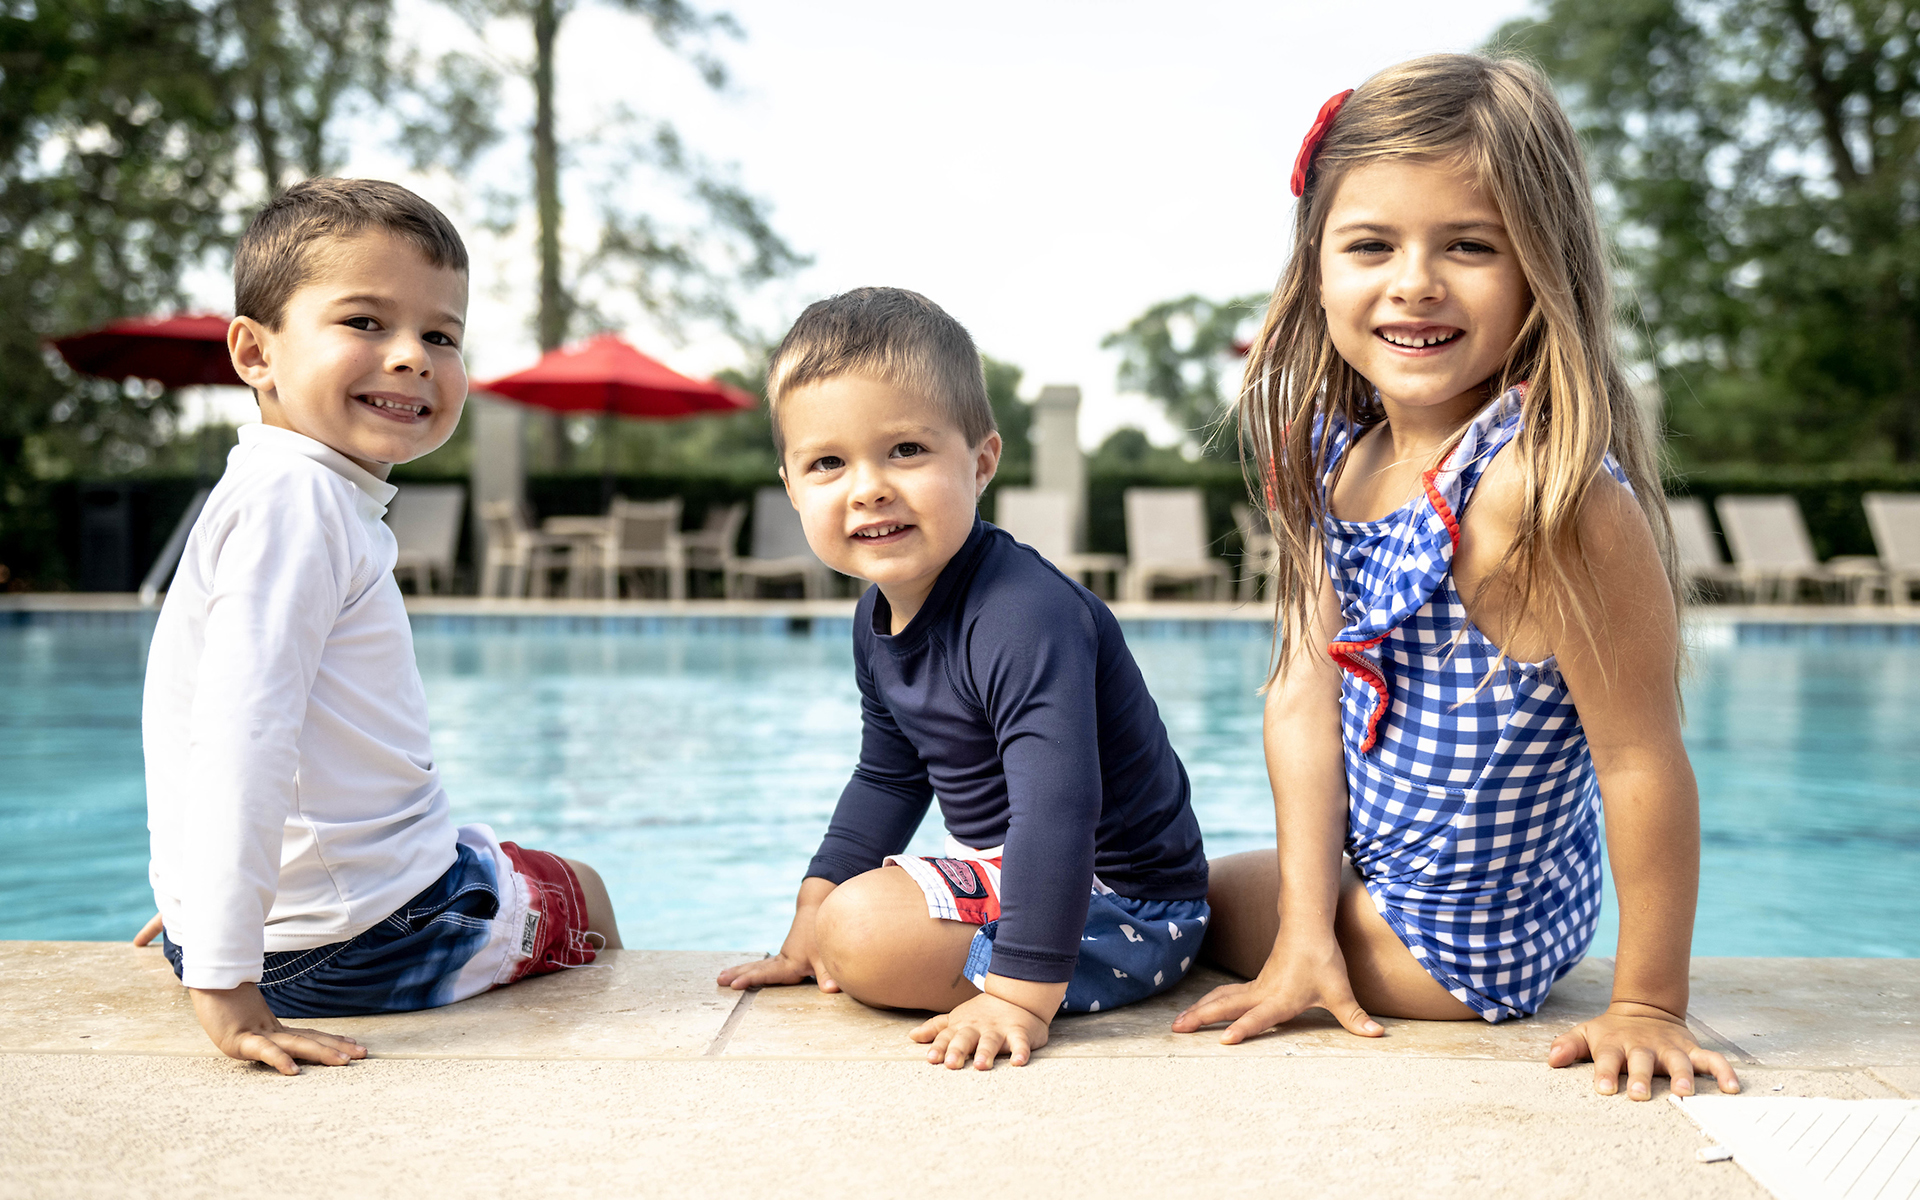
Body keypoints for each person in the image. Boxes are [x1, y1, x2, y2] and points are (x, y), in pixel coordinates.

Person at [1172, 55, 1743, 1103]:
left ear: (1542, 267)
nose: (1415, 282)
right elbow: (1299, 698)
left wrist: (1649, 1004)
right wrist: (1304, 929)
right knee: (1187, 888)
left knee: (1163, 908)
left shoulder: (1542, 489)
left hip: (1454, 945)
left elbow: (1639, 757)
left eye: (1470, 246)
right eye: (1371, 245)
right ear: (1316, 270)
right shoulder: (1337, 457)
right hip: (1382, 887)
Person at [137, 178, 621, 1075]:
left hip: (266, 925)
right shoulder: (298, 503)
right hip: (351, 943)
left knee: (483, 847)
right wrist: (226, 977)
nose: (412, 357)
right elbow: (243, 740)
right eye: (365, 322)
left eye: (441, 335)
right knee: (581, 891)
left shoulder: (274, 489)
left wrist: (203, 901)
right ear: (255, 352)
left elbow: (200, 726)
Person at [718, 288, 1210, 1070]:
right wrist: (807, 919)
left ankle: (1036, 966)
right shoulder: (876, 617)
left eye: (905, 450)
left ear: (980, 462)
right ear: (792, 486)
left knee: (863, 931)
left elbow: (1058, 805)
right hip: (1034, 878)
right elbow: (887, 778)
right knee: (838, 921)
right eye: (828, 463)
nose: (869, 487)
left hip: (1120, 905)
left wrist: (1017, 994)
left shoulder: (1023, 614)